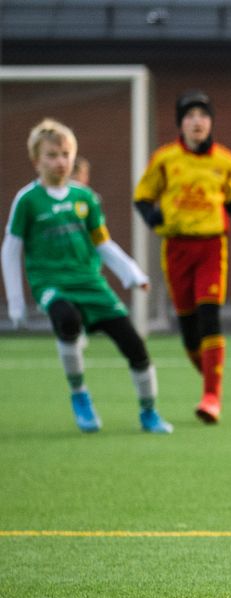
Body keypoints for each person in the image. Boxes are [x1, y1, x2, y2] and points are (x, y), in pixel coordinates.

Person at [2, 119, 173, 434]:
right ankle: (79, 394)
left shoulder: (85, 198)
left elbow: (102, 243)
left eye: (66, 154)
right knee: (67, 320)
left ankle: (149, 412)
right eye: (52, 155)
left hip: (91, 284)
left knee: (135, 346)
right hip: (52, 284)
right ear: (36, 161)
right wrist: (15, 301)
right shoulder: (27, 200)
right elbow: (10, 250)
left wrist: (132, 273)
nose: (60, 161)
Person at [134, 89, 231, 424]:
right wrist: (152, 217)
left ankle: (211, 397)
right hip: (177, 249)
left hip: (212, 247)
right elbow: (142, 197)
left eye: (203, 115)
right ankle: (213, 382)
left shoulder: (224, 159)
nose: (197, 121)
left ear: (211, 121)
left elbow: (230, 201)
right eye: (189, 115)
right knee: (189, 332)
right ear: (180, 123)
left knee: (209, 315)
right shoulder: (165, 159)